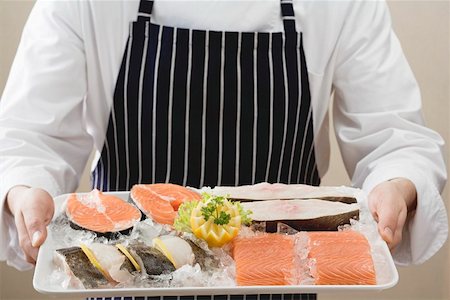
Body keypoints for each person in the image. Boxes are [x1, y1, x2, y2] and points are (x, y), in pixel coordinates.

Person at [0, 0, 448, 299]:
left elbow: (394, 135)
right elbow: (28, 135)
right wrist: (23, 189)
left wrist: (397, 182)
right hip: (123, 273)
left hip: (278, 280)